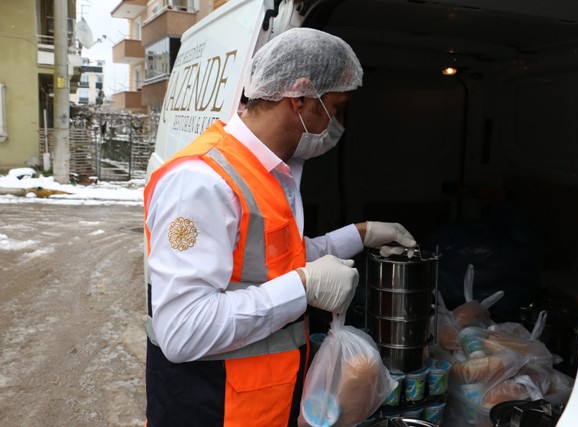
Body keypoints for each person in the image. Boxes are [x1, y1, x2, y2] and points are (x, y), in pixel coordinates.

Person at [144, 27, 417, 427]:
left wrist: (359, 234)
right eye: (336, 108)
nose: (338, 123)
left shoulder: (270, 171)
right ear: (301, 97)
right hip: (211, 409)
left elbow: (272, 262)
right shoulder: (202, 182)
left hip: (262, 407)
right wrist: (303, 287)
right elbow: (184, 330)